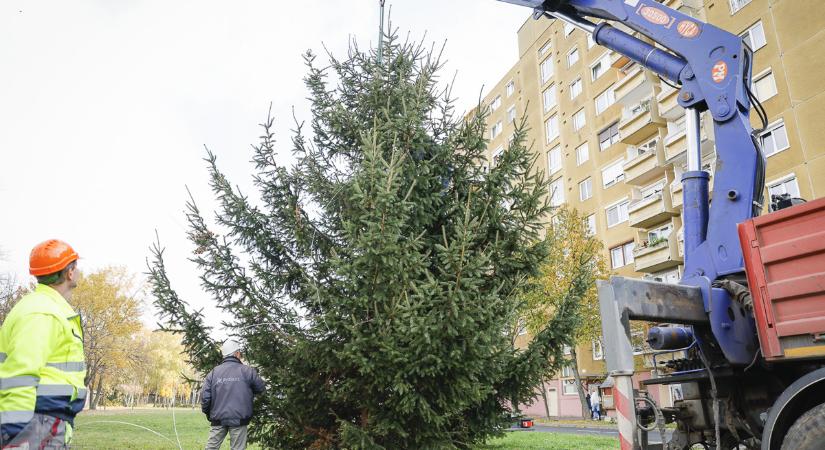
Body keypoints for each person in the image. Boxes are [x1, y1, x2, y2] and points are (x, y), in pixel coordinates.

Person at [0, 240, 85, 448]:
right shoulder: (42, 313)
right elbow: (20, 374)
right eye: (76, 265)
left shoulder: (48, 308)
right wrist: (14, 433)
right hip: (34, 423)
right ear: (70, 272)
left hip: (46, 422)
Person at [202, 339, 265, 450]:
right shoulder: (248, 371)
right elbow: (260, 389)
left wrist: (209, 414)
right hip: (239, 419)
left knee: (211, 448)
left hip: (217, 418)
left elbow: (206, 398)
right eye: (239, 352)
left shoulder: (213, 372)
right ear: (236, 353)